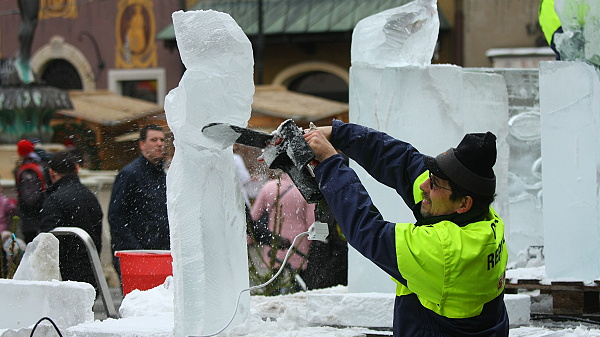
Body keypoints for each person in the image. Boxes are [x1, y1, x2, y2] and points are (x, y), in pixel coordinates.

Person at [304, 120, 509, 336]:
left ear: (463, 204)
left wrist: (329, 162)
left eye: (435, 184)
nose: (423, 186)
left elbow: (367, 231)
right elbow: (404, 162)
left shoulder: (447, 251)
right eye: (431, 176)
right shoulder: (481, 216)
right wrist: (339, 133)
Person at [108, 124, 169, 275]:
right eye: (154, 140)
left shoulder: (163, 174)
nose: (159, 144)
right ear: (142, 144)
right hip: (138, 255)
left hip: (161, 253)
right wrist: (135, 250)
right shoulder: (130, 174)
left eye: (162, 140)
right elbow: (116, 216)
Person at [39, 151, 103, 289]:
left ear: (52, 173)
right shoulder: (90, 196)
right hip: (90, 269)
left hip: (66, 275)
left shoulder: (54, 199)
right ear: (76, 168)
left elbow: (48, 240)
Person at [250, 172, 315, 281]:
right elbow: (311, 223)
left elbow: (253, 217)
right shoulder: (304, 189)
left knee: (275, 282)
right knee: (299, 282)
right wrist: (312, 244)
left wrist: (248, 240)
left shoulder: (268, 187)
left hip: (274, 241)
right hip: (298, 243)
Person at [14, 139, 48, 243]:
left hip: (27, 213)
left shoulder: (21, 168)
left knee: (30, 243)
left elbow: (24, 193)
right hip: (41, 209)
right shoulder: (41, 164)